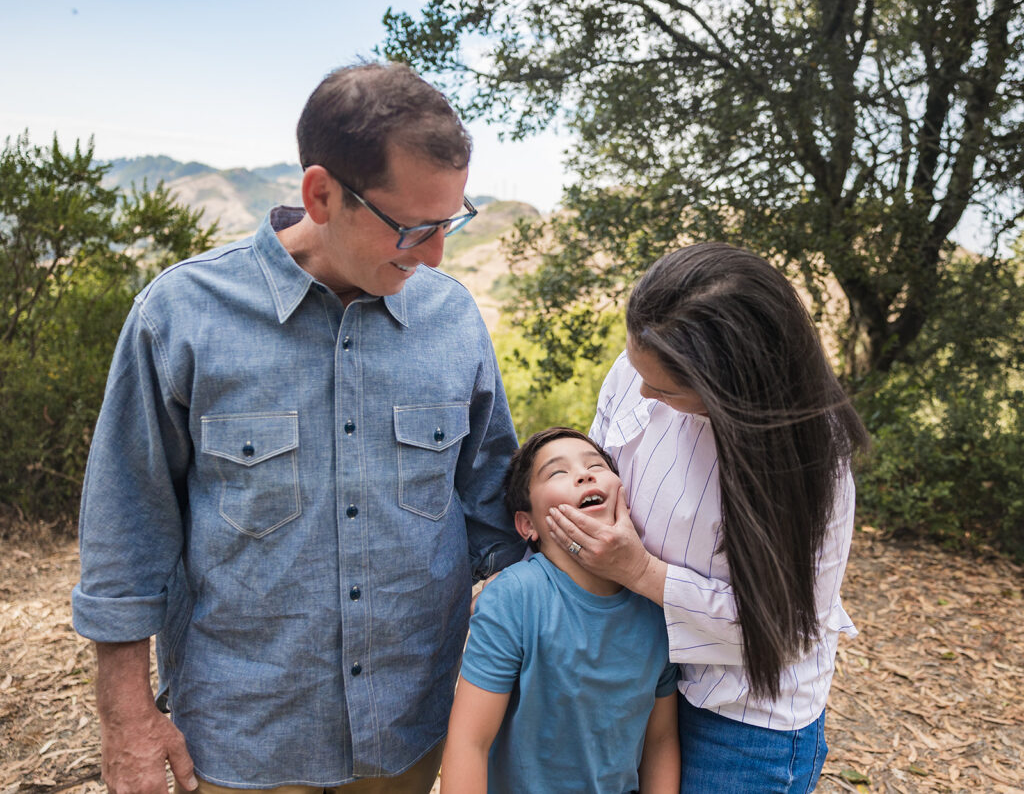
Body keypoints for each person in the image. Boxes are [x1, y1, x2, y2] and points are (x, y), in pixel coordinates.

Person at [71, 62, 525, 794]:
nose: (438, 256)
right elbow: (127, 529)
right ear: (321, 194)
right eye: (413, 228)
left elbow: (495, 514)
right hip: (243, 734)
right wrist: (125, 719)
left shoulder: (453, 321)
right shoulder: (181, 316)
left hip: (410, 728)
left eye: (450, 222)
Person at [546, 243, 869, 792]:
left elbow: (780, 632)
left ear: (736, 390)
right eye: (636, 368)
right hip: (639, 674)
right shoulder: (635, 371)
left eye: (666, 389)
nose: (642, 392)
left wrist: (640, 572)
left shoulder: (815, 466)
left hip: (740, 721)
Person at [441, 427, 680, 794]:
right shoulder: (514, 600)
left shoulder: (655, 604)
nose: (583, 474)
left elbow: (660, 741)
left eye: (595, 465)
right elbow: (469, 743)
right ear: (528, 524)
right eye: (557, 472)